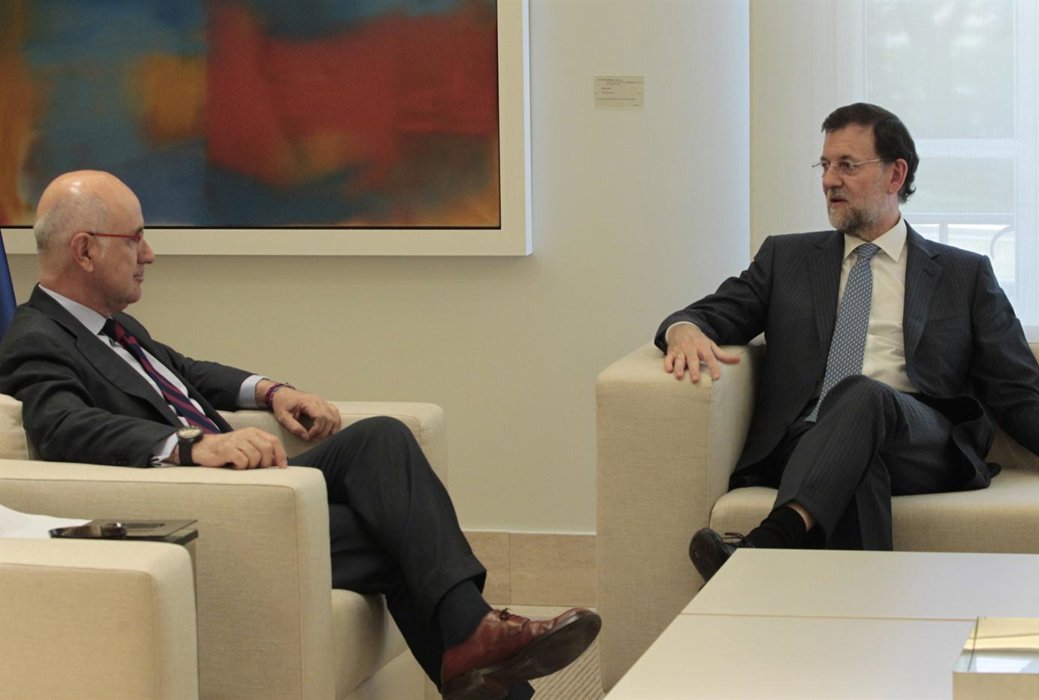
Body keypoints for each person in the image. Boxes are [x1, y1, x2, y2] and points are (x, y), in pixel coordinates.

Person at [0, 170, 600, 700]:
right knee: (397, 534)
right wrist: (191, 445)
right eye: (134, 238)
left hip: (260, 487)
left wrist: (271, 391)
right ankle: (478, 641)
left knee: (382, 438)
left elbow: (188, 373)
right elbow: (63, 427)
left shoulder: (117, 327)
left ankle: (472, 643)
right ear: (84, 250)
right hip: (213, 505)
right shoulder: (35, 339)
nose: (149, 254)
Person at [657, 103, 1039, 581]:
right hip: (806, 440)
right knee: (859, 467)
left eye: (847, 165)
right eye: (825, 165)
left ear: (896, 175)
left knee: (861, 393)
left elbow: (1016, 390)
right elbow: (708, 314)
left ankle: (770, 543)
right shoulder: (785, 259)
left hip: (922, 440)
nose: (829, 180)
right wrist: (683, 330)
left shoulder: (963, 274)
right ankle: (860, 623)